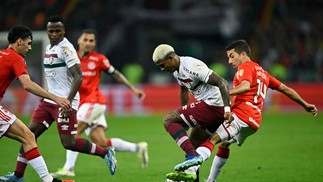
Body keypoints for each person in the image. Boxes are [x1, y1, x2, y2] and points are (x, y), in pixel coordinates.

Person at [171, 39, 318, 182]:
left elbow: (245, 86)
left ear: (243, 55)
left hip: (241, 115)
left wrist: (226, 92)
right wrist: (305, 104)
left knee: (212, 139)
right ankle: (211, 180)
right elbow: (286, 89)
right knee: (224, 144)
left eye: (232, 56)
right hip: (254, 122)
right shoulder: (263, 73)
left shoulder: (246, 67)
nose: (229, 61)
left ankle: (190, 170)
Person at [0, 16, 118, 182]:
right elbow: (53, 78)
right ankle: (18, 175)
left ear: (64, 31)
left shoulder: (67, 49)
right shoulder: (48, 47)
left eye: (58, 31)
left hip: (64, 102)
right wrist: (47, 96)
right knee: (29, 134)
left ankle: (105, 152)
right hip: (50, 101)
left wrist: (67, 100)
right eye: (51, 31)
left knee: (68, 143)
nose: (54, 34)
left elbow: (78, 76)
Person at [50, 29, 148, 177]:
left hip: (94, 102)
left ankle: (68, 168)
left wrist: (133, 88)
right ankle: (137, 148)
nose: (88, 43)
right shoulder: (70, 58)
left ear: (95, 43)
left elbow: (116, 74)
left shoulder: (99, 59)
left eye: (91, 41)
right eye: (85, 40)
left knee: (73, 133)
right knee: (100, 142)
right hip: (82, 104)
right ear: (79, 41)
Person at [0, 25, 72, 182]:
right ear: (19, 41)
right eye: (28, 43)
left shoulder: (1, 54)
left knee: (27, 136)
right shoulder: (15, 57)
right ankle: (48, 180)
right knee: (28, 136)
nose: (30, 47)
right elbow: (27, 84)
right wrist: (54, 97)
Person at [152, 44, 231, 182]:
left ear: (170, 58)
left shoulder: (191, 66)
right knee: (193, 144)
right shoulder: (177, 71)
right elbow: (184, 91)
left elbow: (222, 82)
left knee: (168, 120)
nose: (162, 69)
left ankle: (192, 157)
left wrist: (227, 109)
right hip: (209, 107)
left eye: (162, 65)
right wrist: (185, 116)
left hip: (213, 106)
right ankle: (193, 169)